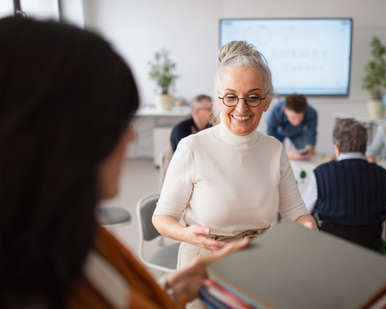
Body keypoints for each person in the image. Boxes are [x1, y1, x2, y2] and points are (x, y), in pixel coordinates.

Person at [0, 17, 248, 309]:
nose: (130, 137)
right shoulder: (31, 293)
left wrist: (180, 287)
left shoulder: (72, 238)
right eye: (118, 124)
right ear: (60, 138)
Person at [153, 41, 318, 270]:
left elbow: (296, 212)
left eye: (253, 97)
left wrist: (309, 227)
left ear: (267, 101)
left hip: (259, 261)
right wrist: (187, 234)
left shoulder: (273, 149)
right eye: (231, 97)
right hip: (204, 261)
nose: (241, 108)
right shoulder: (193, 147)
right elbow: (161, 218)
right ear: (218, 100)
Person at [304, 119, 386, 250]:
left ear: (336, 148)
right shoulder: (383, 175)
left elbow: (304, 212)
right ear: (365, 147)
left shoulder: (321, 174)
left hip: (329, 252)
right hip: (371, 253)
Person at [266, 94, 318, 160]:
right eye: (293, 117)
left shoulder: (312, 112)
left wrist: (309, 149)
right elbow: (270, 134)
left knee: (305, 154)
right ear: (285, 110)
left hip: (298, 133)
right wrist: (286, 155)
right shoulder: (275, 111)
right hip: (278, 133)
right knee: (276, 155)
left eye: (300, 118)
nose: (296, 122)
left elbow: (311, 132)